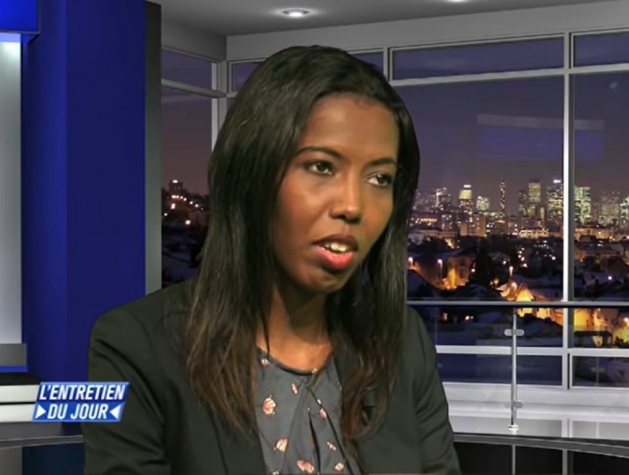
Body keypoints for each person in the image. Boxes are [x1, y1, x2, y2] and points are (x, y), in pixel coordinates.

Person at [82, 45, 460, 475]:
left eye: (379, 178)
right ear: (252, 174)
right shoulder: (134, 347)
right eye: (321, 167)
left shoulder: (402, 342)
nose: (353, 206)